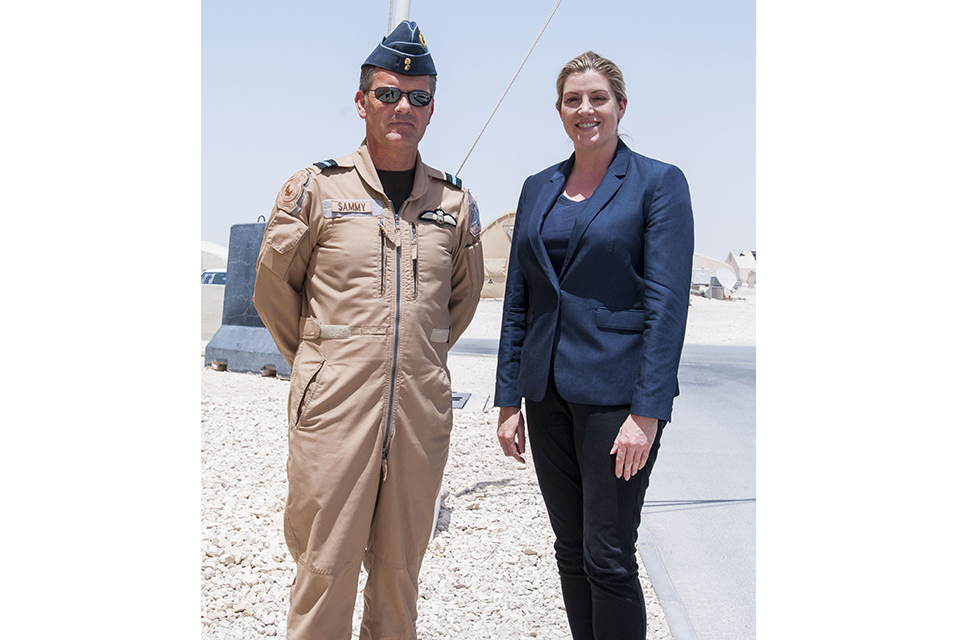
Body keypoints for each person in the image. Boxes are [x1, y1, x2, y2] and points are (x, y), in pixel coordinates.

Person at [253, 20, 484, 640]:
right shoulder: (316, 190)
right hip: (335, 412)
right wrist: (328, 363)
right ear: (361, 102)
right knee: (324, 568)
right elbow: (275, 293)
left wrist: (411, 359)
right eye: (388, 93)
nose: (402, 107)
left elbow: (453, 308)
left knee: (400, 572)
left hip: (417, 416)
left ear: (433, 108)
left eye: (419, 96)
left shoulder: (454, 205)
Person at [495, 51, 694, 640]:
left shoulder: (658, 183)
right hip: (547, 393)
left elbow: (666, 305)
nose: (586, 109)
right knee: (570, 549)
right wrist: (509, 399)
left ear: (620, 106)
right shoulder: (539, 188)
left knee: (608, 554)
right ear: (560, 111)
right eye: (573, 100)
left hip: (617, 399)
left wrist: (647, 412)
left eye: (598, 98)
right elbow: (518, 299)